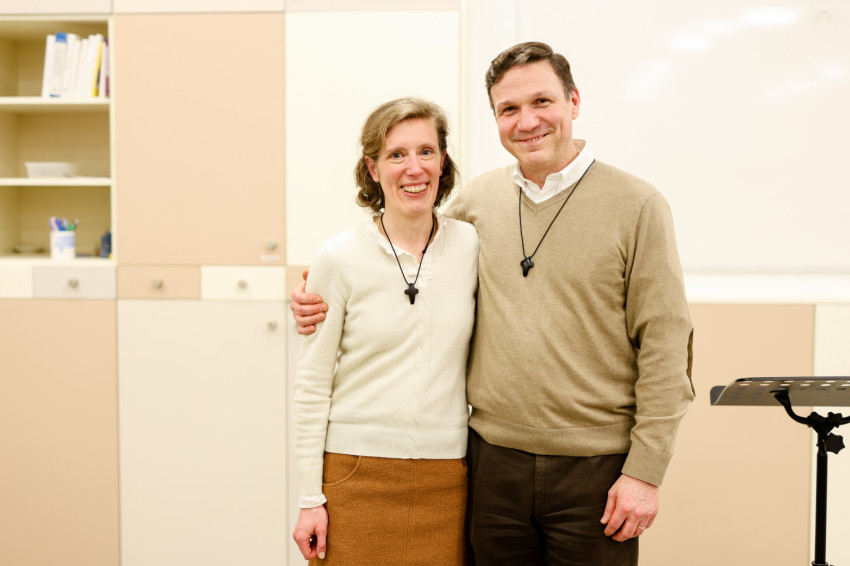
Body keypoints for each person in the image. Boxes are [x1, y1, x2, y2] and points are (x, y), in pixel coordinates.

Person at [292, 42, 694, 566]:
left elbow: (667, 344)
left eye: (542, 101)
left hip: (595, 466)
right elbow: (406, 247)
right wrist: (313, 293)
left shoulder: (637, 205)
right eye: (509, 108)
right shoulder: (477, 204)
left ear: (574, 101)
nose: (527, 121)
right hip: (491, 464)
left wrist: (645, 470)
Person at [290, 97, 478, 566]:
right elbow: (312, 384)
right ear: (372, 168)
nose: (414, 168)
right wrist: (310, 496)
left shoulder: (471, 245)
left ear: (442, 161)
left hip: (448, 479)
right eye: (397, 155)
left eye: (426, 152)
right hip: (355, 476)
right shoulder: (337, 256)